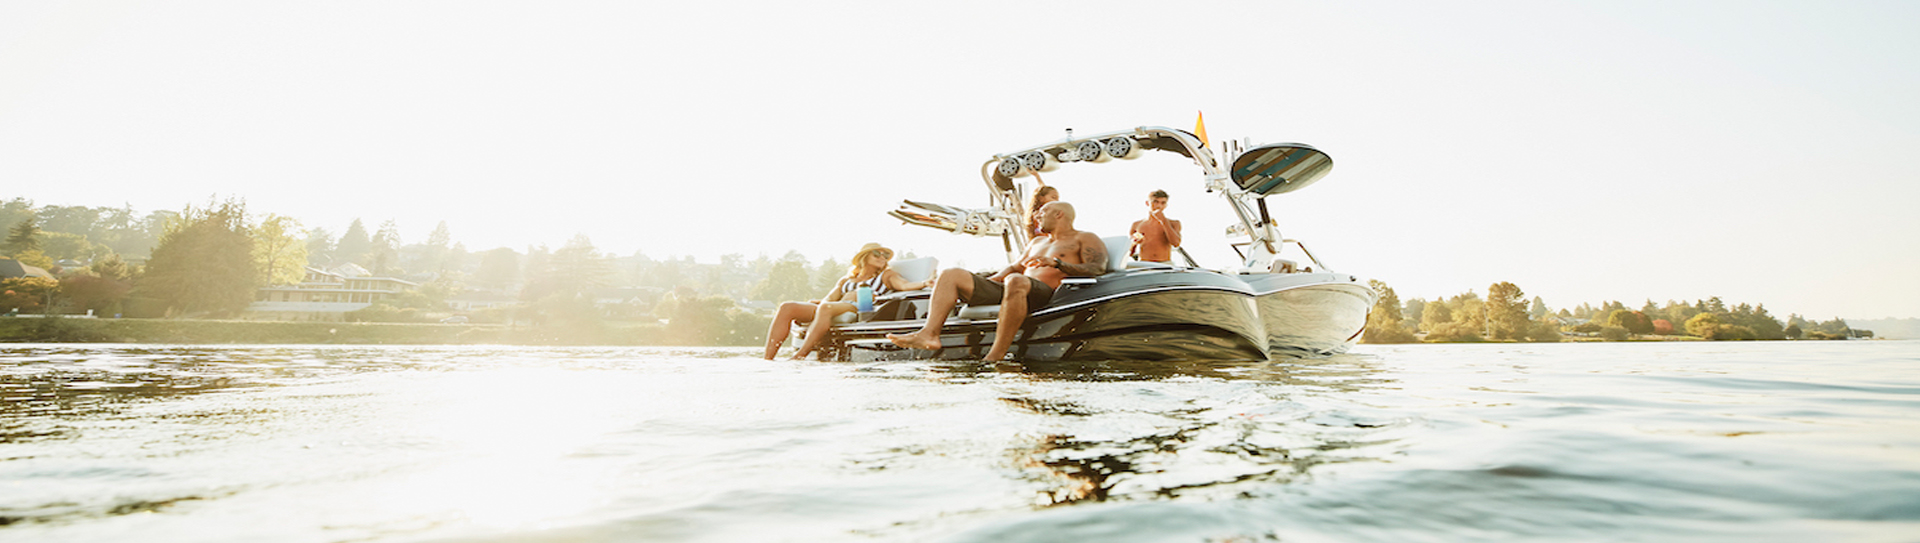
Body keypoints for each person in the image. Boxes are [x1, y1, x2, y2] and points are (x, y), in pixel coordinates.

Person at [887, 201, 1108, 361]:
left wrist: (1057, 263)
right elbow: (1014, 268)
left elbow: (1097, 267)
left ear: (1059, 214)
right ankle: (930, 334)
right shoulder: (1037, 242)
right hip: (1015, 286)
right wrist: (988, 283)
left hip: (1047, 293)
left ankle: (996, 354)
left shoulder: (1084, 237)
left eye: (1042, 212)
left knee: (1016, 280)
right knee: (951, 273)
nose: (1037, 217)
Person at [764, 243, 929, 360]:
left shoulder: (886, 275)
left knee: (825, 308)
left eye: (885, 255)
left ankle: (800, 355)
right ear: (864, 257)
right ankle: (768, 358)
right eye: (876, 253)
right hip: (834, 306)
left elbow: (904, 285)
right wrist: (817, 303)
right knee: (787, 307)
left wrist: (924, 283)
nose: (882, 257)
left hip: (859, 308)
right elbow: (829, 299)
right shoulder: (846, 280)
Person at [1128, 189, 1182, 263]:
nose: (1159, 206)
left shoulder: (1173, 223)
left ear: (1166, 205)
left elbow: (1176, 243)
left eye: (1163, 203)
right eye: (1155, 202)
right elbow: (1129, 253)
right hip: (1144, 263)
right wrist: (1134, 243)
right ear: (1147, 203)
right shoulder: (1137, 224)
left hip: (1164, 263)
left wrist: (1163, 220)